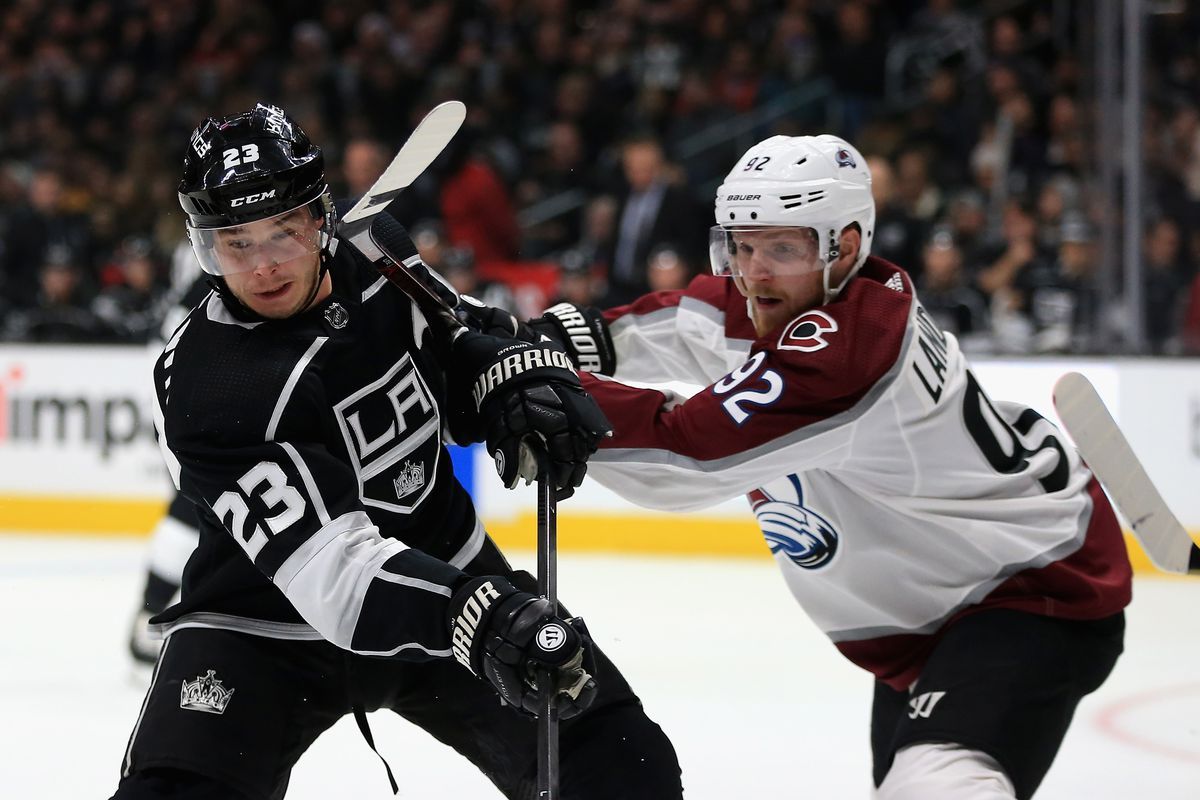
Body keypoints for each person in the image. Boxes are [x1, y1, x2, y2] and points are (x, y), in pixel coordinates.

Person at [467, 135, 1132, 799]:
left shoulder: (846, 351)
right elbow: (686, 321)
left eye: (782, 247)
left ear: (843, 246)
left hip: (1029, 594)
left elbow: (684, 454)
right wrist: (568, 341)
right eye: (742, 244)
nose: (754, 271)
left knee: (937, 784)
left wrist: (537, 390)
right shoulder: (806, 294)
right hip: (935, 613)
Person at [111, 103, 682, 800]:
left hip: (447, 572)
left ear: (319, 217)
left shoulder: (375, 246)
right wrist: (481, 613)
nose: (262, 266)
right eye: (235, 242)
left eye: (282, 233)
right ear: (204, 246)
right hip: (262, 629)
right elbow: (338, 578)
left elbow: (463, 337)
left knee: (621, 764)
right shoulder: (209, 385)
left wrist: (508, 377)